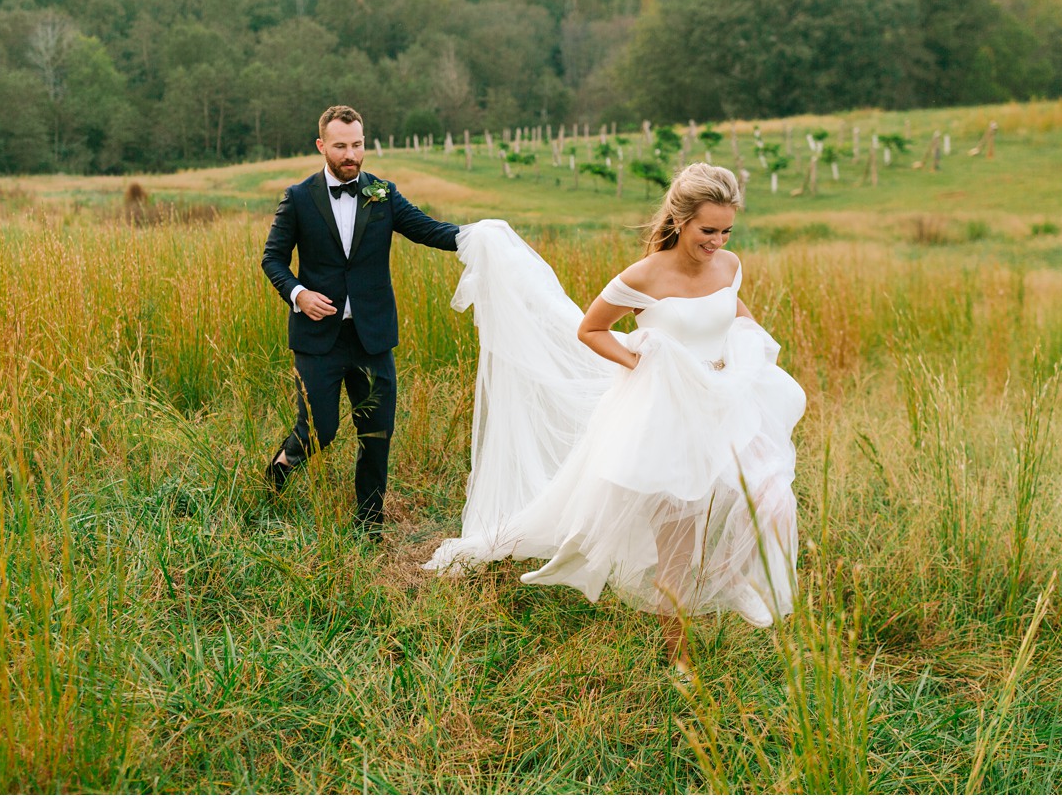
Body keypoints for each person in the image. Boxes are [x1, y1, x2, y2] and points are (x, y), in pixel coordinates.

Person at [424, 164, 805, 662]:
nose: (717, 240)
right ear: (681, 220)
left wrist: (745, 348)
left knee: (773, 499)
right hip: (670, 417)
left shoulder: (729, 265)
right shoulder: (645, 275)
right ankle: (679, 660)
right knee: (679, 544)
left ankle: (731, 578)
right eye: (707, 230)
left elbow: (736, 312)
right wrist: (645, 365)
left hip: (725, 401)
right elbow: (591, 329)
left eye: (726, 230)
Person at [261, 104, 459, 538]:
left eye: (357, 145)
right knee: (320, 430)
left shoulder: (383, 193)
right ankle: (276, 474)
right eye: (341, 147)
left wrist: (481, 237)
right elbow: (272, 259)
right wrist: (299, 294)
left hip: (372, 337)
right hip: (319, 340)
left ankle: (369, 525)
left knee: (377, 433)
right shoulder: (298, 197)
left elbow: (429, 230)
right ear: (321, 146)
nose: (351, 155)